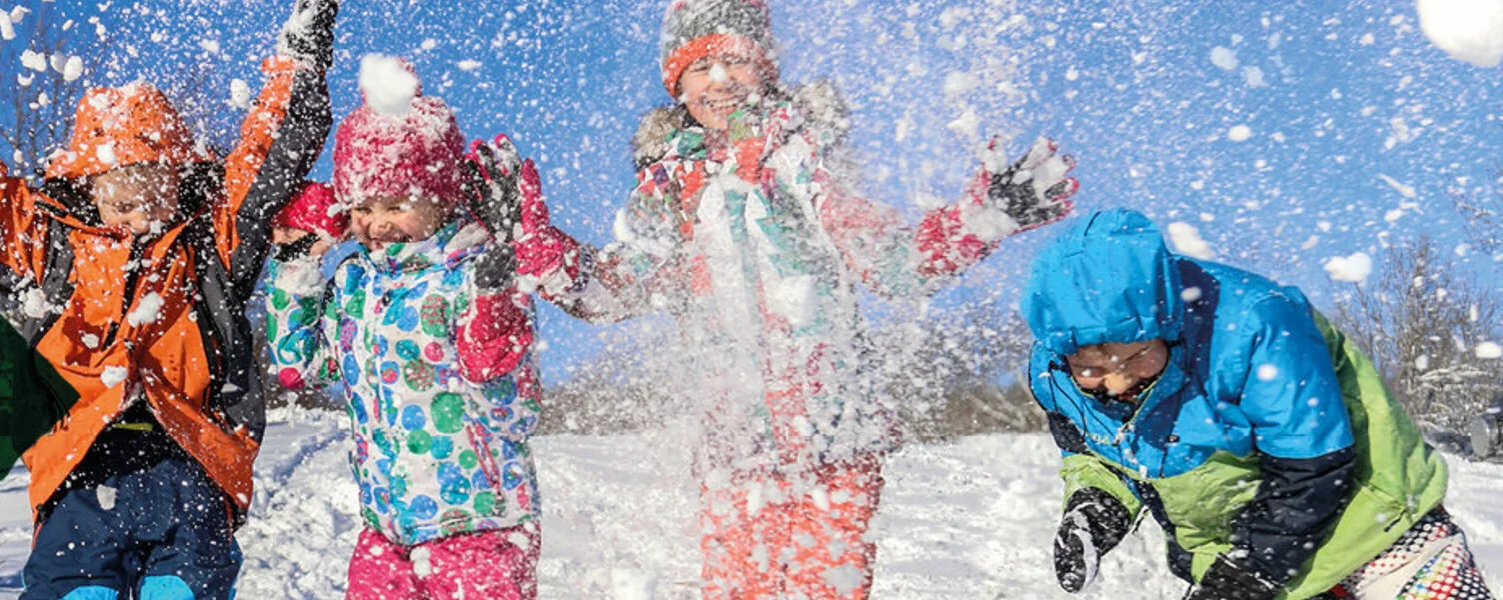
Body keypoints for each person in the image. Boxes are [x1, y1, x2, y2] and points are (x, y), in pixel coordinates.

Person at [523, 0, 1080, 597]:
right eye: (698, 66)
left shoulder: (804, 158)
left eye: (734, 60)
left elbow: (891, 263)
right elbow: (615, 289)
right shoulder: (668, 189)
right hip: (732, 448)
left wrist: (983, 218)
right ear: (675, 84)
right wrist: (538, 251)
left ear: (763, 66)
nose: (719, 79)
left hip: (835, 439)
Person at [0, 0, 339, 598]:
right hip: (81, 469)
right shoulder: (50, 248)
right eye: (119, 196)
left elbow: (268, 155)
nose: (137, 213)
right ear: (86, 187)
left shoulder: (209, 245)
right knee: (72, 587)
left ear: (179, 181)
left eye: (154, 194)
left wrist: (301, 56)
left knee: (188, 586)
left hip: (190, 464)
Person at [1024, 209, 1491, 600]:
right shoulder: (1053, 376)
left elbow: (1313, 468)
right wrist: (1093, 509)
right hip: (1234, 554)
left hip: (1376, 532)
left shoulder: (1254, 324)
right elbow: (1102, 452)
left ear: (1167, 322)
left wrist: (1246, 572)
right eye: (1092, 369)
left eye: (1139, 356)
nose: (1119, 381)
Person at [261, 57, 587, 600]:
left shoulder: (476, 273)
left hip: (480, 526)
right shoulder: (354, 282)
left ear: (440, 199)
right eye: (362, 207)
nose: (378, 222)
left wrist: (494, 325)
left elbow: (516, 412)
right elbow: (299, 367)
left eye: (397, 205)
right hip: (385, 533)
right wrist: (298, 262)